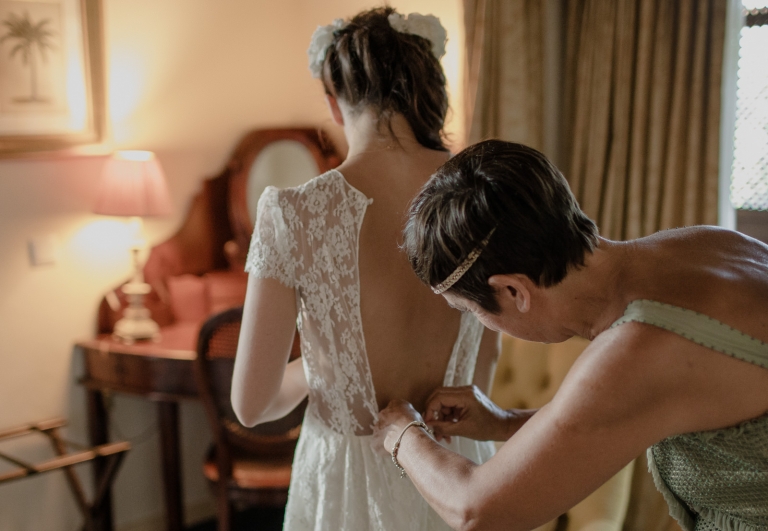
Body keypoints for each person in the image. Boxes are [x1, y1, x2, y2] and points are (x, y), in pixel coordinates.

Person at [373, 139, 768, 531]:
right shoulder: (706, 243)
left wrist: (401, 433)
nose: (480, 322)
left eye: (471, 311)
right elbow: (618, 413)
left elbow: (475, 510)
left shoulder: (638, 348)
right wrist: (504, 421)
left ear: (513, 291)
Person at [231, 8, 500, 531]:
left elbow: (251, 404)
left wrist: (326, 365)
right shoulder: (483, 200)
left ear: (334, 103)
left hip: (347, 486)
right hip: (454, 469)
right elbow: (479, 379)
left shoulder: (292, 212)